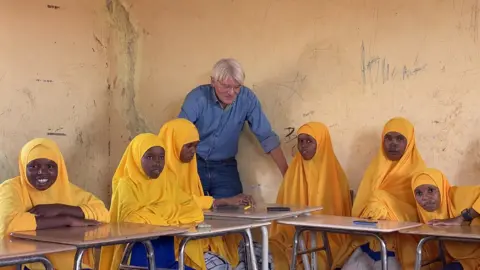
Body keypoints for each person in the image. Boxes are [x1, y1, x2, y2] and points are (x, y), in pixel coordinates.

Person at [99, 133, 228, 270]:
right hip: (136, 259)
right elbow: (132, 219)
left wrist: (155, 214)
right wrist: (173, 215)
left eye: (161, 157)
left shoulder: (167, 180)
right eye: (149, 157)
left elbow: (193, 211)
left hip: (167, 258)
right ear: (136, 158)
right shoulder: (127, 184)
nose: (157, 162)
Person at [159, 118, 262, 269]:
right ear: (172, 144)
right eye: (188, 146)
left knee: (258, 255)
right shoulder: (158, 174)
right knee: (223, 265)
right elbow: (179, 203)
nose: (194, 151)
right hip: (179, 247)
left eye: (196, 146)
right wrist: (223, 201)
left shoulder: (190, 169)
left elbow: (192, 203)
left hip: (200, 238)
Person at [178, 58, 288, 198]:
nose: (231, 92)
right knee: (188, 210)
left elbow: (266, 136)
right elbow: (178, 134)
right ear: (213, 81)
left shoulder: (247, 99)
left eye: (237, 87)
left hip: (225, 167)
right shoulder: (197, 98)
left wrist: (287, 173)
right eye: (225, 86)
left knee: (233, 213)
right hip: (193, 163)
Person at [0, 138, 109, 270]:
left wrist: (59, 208)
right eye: (33, 166)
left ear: (60, 167)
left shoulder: (65, 188)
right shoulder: (11, 188)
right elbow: (10, 224)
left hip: (63, 259)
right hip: (22, 261)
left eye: (50, 166)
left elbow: (103, 213)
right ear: (23, 167)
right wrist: (66, 220)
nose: (41, 172)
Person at [335, 117, 426, 270]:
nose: (393, 143)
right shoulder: (374, 170)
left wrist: (383, 204)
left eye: (400, 139)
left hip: (401, 249)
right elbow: (358, 211)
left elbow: (420, 217)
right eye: (388, 138)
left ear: (409, 143)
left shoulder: (419, 175)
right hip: (367, 243)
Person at [270, 122, 352, 270]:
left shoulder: (335, 176)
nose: (304, 146)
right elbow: (281, 210)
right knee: (271, 255)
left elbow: (339, 220)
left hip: (326, 239)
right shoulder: (293, 173)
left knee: (320, 261)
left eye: (309, 141)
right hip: (292, 237)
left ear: (321, 143)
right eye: (301, 141)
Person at [413, 168, 480, 270]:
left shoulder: (458, 195)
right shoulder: (426, 214)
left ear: (441, 187)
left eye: (431, 190)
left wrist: (461, 218)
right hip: (464, 260)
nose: (424, 198)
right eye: (419, 193)